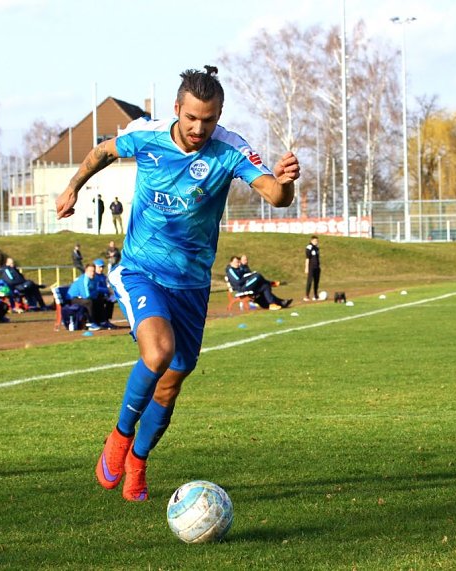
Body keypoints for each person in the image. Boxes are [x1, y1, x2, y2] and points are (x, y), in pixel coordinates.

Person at [55, 65, 300, 502]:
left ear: (219, 115)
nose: (198, 128)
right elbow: (103, 152)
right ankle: (119, 437)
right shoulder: (146, 136)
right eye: (191, 119)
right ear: (177, 110)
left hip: (191, 285)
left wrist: (285, 183)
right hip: (141, 270)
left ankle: (138, 462)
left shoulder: (230, 150)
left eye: (208, 120)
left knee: (172, 379)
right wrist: (73, 186)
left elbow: (275, 195)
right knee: (158, 351)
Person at [225, 256, 291, 310]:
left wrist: (249, 274)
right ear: (231, 262)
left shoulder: (240, 268)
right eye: (236, 262)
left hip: (246, 285)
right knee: (258, 276)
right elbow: (238, 281)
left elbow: (246, 274)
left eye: (239, 262)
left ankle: (276, 303)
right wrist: (250, 276)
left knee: (265, 286)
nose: (238, 264)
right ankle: (271, 283)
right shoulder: (230, 270)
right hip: (242, 288)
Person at [67, 263, 108, 331]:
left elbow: (95, 290)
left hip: (84, 298)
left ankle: (102, 321)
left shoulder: (95, 278)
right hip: (74, 298)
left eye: (93, 271)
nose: (92, 273)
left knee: (100, 299)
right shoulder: (83, 279)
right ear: (86, 271)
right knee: (89, 302)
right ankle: (90, 323)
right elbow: (85, 295)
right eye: (90, 271)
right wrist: (93, 296)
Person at [92, 258, 117, 328]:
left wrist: (109, 293)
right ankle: (102, 320)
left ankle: (106, 319)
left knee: (111, 301)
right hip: (95, 296)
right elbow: (96, 288)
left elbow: (105, 286)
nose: (101, 269)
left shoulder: (103, 276)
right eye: (99, 267)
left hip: (102, 295)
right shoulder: (94, 276)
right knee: (100, 299)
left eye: (102, 267)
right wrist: (107, 291)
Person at [304, 235, 321, 301]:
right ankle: (306, 296)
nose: (316, 242)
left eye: (317, 241)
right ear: (311, 241)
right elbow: (307, 258)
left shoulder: (317, 248)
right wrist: (306, 267)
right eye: (314, 241)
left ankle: (315, 295)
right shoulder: (309, 247)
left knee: (316, 282)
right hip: (311, 267)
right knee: (309, 281)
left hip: (317, 267)